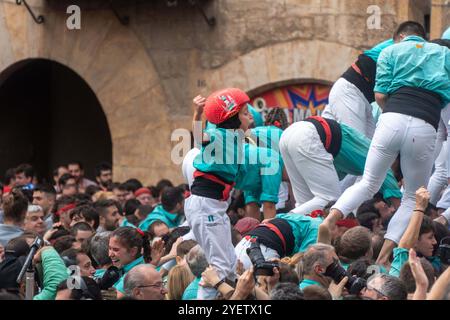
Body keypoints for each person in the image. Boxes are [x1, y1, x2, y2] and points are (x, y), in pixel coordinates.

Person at [323, 21, 450, 265]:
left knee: (369, 182)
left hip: (391, 119)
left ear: (400, 37)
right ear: (423, 38)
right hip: (425, 125)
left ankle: (331, 219)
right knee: (412, 198)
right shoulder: (444, 53)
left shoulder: (390, 51)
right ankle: (383, 258)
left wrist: (391, 113)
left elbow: (380, 95)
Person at [185, 88, 252, 299]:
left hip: (213, 206)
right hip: (206, 204)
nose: (250, 116)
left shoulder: (235, 137)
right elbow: (199, 138)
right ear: (231, 118)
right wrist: (197, 114)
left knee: (231, 264)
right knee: (220, 267)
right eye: (244, 112)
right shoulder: (219, 134)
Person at [279, 116, 401, 216]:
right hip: (308, 135)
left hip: (290, 133)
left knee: (306, 205)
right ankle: (281, 222)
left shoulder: (350, 160)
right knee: (330, 201)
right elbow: (388, 177)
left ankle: (288, 226)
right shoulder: (377, 154)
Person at [322, 34, 397, 138]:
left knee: (369, 146)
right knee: (358, 143)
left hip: (360, 97)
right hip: (350, 91)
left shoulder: (401, 48)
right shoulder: (398, 47)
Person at [235, 213, 321, 270]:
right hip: (262, 252)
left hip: (243, 244)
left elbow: (265, 221)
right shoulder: (319, 227)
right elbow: (301, 261)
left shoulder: (296, 216)